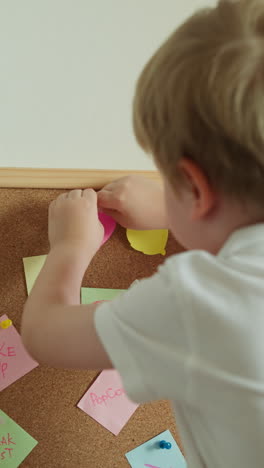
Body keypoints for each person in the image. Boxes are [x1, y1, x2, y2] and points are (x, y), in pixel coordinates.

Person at [22, 0, 264, 466]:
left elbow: (44, 334)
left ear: (196, 187)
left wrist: (71, 245)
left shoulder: (199, 303)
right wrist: (180, 212)